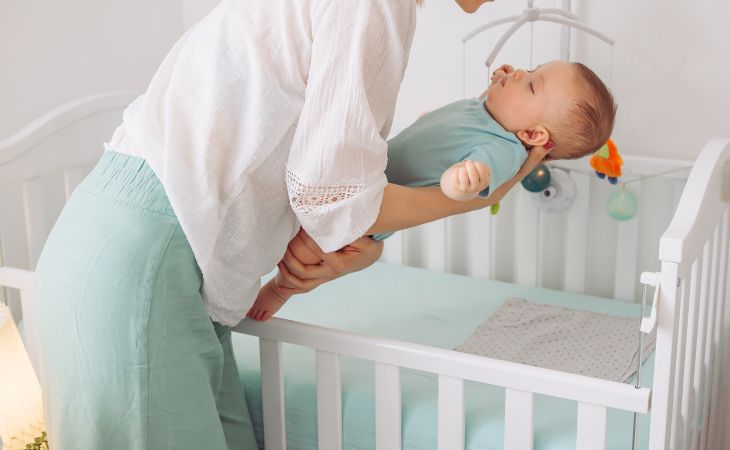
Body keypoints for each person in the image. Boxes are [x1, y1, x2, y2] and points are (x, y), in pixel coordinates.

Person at [32, 1, 546, 449]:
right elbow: (330, 192)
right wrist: (467, 202)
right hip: (145, 259)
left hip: (167, 257)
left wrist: (359, 233)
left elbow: (332, 184)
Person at [246, 59, 617, 321]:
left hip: (364, 220)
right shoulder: (486, 113)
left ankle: (279, 290)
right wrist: (504, 84)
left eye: (532, 84)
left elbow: (477, 181)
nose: (520, 72)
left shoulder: (501, 150)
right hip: (361, 180)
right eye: (532, 68)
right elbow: (475, 119)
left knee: (304, 250)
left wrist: (463, 181)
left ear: (533, 136)